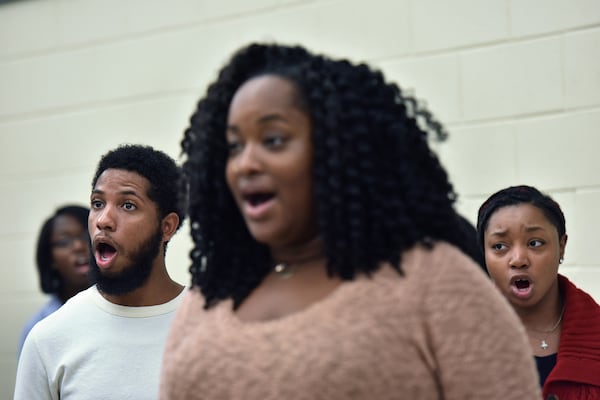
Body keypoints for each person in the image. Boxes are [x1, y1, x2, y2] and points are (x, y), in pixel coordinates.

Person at [159, 43, 541, 399]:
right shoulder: (205, 299)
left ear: (336, 149)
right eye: (234, 146)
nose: (245, 164)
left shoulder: (434, 283)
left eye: (273, 140)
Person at [14, 144, 186, 400]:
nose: (103, 220)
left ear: (167, 227)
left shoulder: (213, 324)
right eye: (97, 203)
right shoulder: (48, 338)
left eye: (127, 205)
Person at [477, 185, 600, 399]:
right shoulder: (457, 341)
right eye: (499, 246)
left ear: (562, 246)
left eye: (535, 243)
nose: (518, 260)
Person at [17, 205, 92, 357]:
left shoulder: (128, 305)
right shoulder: (38, 328)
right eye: (64, 242)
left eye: (86, 236)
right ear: (51, 259)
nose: (78, 246)